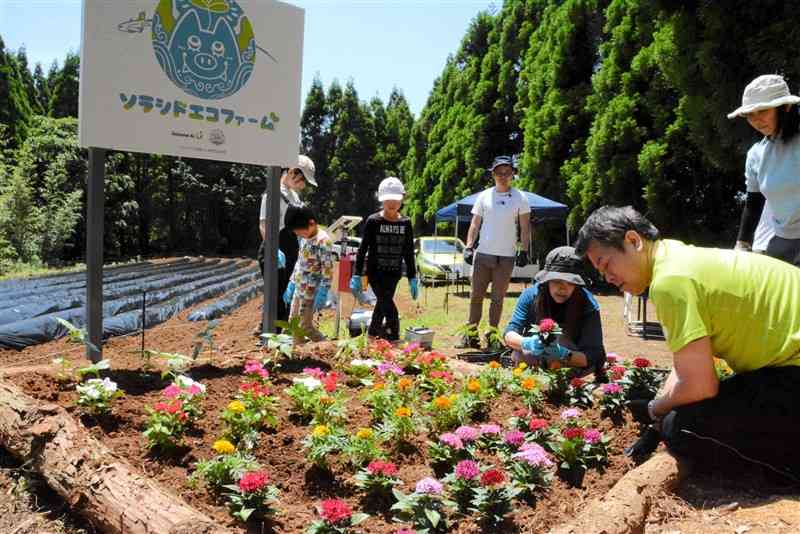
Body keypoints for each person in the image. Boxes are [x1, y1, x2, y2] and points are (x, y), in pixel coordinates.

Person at [575, 205, 800, 478]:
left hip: (792, 372)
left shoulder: (670, 282)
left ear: (633, 241)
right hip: (787, 365)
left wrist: (654, 409)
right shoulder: (675, 257)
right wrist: (659, 415)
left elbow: (700, 385)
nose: (607, 278)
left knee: (681, 430)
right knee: (675, 420)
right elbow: (686, 365)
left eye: (605, 263)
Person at [458, 156, 531, 350]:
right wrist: (469, 245)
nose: (503, 176)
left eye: (507, 172)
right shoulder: (484, 196)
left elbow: (525, 227)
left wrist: (523, 249)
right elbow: (475, 223)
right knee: (476, 296)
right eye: (499, 172)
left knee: (497, 299)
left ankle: (492, 334)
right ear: (493, 174)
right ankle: (470, 334)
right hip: (483, 254)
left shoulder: (520, 198)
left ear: (513, 175)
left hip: (506, 257)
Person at [504, 246, 607, 380]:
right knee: (519, 355)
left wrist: (562, 353)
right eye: (557, 281)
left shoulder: (588, 304)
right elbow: (510, 333)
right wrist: (526, 343)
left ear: (577, 284)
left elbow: (594, 355)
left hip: (572, 361)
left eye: (570, 283)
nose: (562, 288)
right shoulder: (530, 295)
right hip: (536, 357)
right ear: (546, 280)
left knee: (561, 342)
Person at [728, 74, 800, 266]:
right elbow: (754, 203)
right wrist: (742, 245)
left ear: (785, 107)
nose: (756, 120)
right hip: (782, 243)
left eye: (763, 111)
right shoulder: (756, 155)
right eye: (750, 115)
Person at [350, 177, 419, 341]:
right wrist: (357, 273)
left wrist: (412, 277)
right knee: (391, 310)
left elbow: (408, 251)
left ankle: (372, 338)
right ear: (381, 199)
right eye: (388, 199)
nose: (392, 203)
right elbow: (363, 249)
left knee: (381, 307)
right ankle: (394, 339)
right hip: (375, 273)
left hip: (394, 273)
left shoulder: (406, 223)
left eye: (395, 199)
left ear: (402, 199)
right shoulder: (373, 221)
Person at [256, 155, 317, 335]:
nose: (304, 185)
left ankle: (279, 333)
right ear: (291, 172)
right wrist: (273, 249)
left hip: (291, 250)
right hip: (275, 248)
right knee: (275, 295)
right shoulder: (272, 193)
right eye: (302, 180)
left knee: (286, 295)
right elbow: (263, 225)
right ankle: (269, 336)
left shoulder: (294, 195)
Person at [281, 206, 333, 344]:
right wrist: (291, 283)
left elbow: (327, 269)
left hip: (311, 292)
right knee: (293, 323)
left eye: (300, 232)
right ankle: (299, 352)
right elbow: (299, 262)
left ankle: (325, 347)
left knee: (305, 326)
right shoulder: (304, 239)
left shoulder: (323, 241)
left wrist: (323, 291)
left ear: (311, 223)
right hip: (299, 288)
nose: (299, 235)